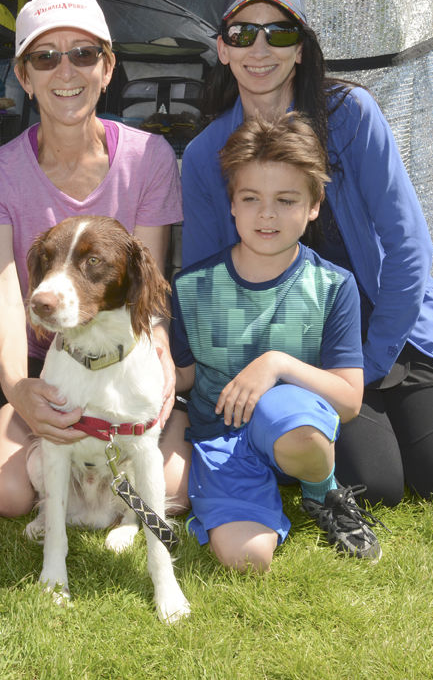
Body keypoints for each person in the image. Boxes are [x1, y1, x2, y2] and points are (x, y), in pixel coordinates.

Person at [173, 0, 433, 507]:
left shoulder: (350, 115)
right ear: (222, 48)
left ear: (301, 49)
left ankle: (427, 380)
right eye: (243, 33)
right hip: (304, 347)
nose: (260, 48)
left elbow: (409, 246)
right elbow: (207, 281)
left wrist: (375, 358)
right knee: (377, 488)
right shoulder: (204, 156)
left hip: (394, 328)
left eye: (280, 32)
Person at [0, 0, 185, 518]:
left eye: (83, 54)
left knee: (175, 487)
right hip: (50, 363)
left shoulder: (150, 157)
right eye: (46, 57)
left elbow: (146, 283)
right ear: (24, 76)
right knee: (6, 493)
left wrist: (160, 352)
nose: (66, 72)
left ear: (107, 69)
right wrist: (19, 389)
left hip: (123, 357)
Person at [172, 112, 383, 570]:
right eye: (251, 198)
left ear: (314, 204)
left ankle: (321, 491)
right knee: (248, 561)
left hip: (292, 426)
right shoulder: (191, 286)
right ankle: (243, 495)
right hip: (221, 438)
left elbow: (348, 400)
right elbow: (182, 377)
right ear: (232, 203)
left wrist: (277, 363)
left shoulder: (333, 285)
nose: (267, 214)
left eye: (286, 200)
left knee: (292, 421)